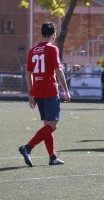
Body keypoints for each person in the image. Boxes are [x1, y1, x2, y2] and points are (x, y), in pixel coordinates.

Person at [19, 22, 70, 167]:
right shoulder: (52, 49)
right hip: (50, 91)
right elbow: (58, 71)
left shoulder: (33, 50)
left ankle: (52, 157)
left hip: (38, 91)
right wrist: (66, 90)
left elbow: (28, 73)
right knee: (52, 126)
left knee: (47, 125)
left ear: (42, 34)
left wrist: (31, 93)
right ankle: (27, 147)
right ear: (53, 35)